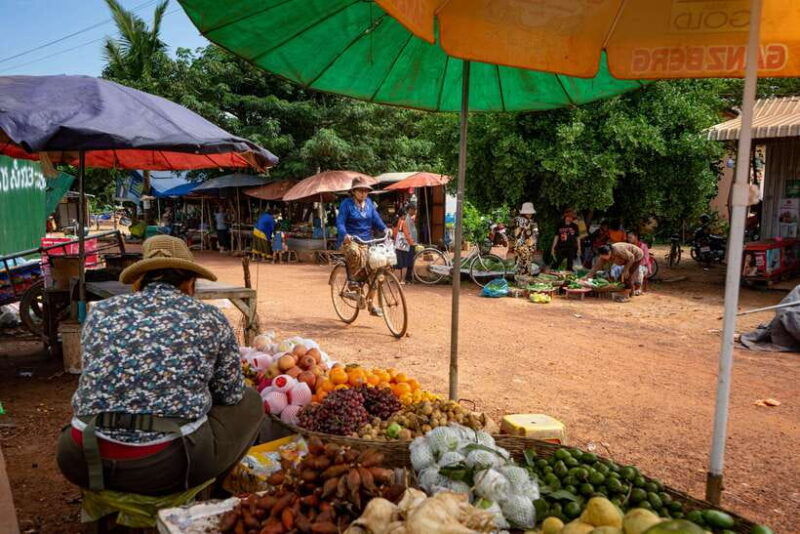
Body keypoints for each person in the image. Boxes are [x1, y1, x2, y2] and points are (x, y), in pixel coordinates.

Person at [56, 236, 262, 495]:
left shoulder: (101, 312)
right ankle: (219, 492)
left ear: (140, 280)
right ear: (190, 282)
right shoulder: (209, 317)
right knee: (251, 401)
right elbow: (230, 394)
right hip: (165, 465)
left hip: (80, 457)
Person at [335, 177, 389, 316]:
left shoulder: (369, 203)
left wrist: (385, 229)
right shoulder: (346, 204)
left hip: (367, 241)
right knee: (354, 252)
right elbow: (340, 222)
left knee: (378, 268)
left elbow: (376, 219)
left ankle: (371, 304)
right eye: (360, 191)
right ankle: (352, 280)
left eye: (366, 191)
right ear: (353, 191)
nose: (363, 194)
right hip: (351, 240)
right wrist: (344, 234)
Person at [512, 202, 539, 277]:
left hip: (522, 246)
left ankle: (520, 281)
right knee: (524, 265)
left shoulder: (520, 220)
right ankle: (523, 282)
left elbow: (534, 235)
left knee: (521, 265)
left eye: (530, 212)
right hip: (524, 247)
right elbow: (530, 235)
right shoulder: (524, 221)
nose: (529, 214)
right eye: (528, 212)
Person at [393, 203, 418, 284]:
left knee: (399, 262)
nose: (415, 211)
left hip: (399, 244)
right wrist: (412, 243)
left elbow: (395, 233)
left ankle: (398, 279)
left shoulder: (398, 221)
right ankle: (404, 279)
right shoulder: (404, 221)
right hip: (406, 245)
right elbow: (407, 234)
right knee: (406, 263)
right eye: (414, 210)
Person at [626, 230, 651, 295]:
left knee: (638, 268)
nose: (628, 239)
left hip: (643, 267)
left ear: (636, 237)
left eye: (630, 237)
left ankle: (638, 288)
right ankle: (625, 287)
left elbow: (645, 259)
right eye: (628, 237)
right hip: (630, 266)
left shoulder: (643, 246)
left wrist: (635, 263)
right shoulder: (628, 246)